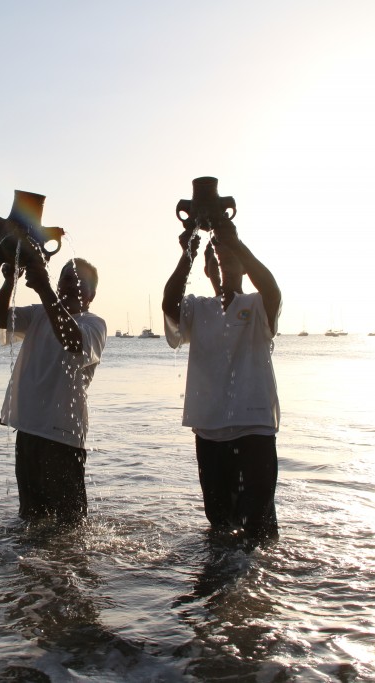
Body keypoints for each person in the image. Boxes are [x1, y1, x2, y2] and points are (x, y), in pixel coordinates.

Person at [162, 218, 281, 544]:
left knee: (259, 529)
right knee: (219, 525)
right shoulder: (197, 308)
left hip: (254, 430)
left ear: (243, 268)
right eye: (216, 263)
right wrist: (188, 253)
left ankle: (258, 585)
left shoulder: (256, 305)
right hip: (209, 431)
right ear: (207, 272)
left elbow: (271, 289)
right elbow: (168, 304)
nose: (223, 268)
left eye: (231, 261)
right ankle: (220, 585)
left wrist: (234, 242)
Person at [0, 250, 107, 526]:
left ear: (90, 296)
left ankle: (73, 567)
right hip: (28, 430)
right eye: (66, 278)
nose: (69, 285)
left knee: (71, 525)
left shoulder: (93, 324)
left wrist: (43, 289)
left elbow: (73, 343)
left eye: (78, 282)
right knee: (31, 520)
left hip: (63, 437)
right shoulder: (39, 313)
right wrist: (9, 282)